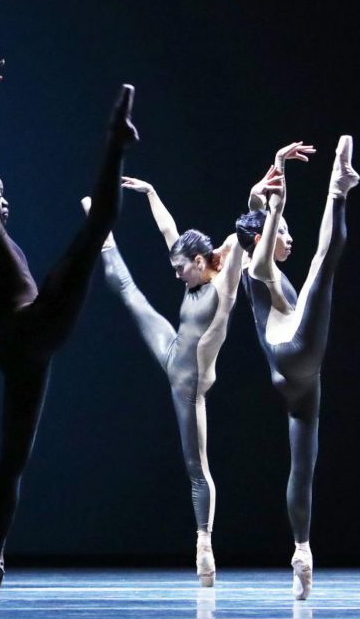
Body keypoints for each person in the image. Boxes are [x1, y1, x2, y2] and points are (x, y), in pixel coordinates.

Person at [0, 52, 138, 611]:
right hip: (34, 326)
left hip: (15, 349)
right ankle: (115, 140)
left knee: (12, 459)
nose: (2, 193)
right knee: (96, 228)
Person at [83, 175, 244, 587]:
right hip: (173, 354)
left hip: (189, 387)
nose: (176, 275)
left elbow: (237, 241)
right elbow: (168, 231)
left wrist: (264, 198)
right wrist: (153, 192)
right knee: (128, 291)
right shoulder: (190, 266)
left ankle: (203, 543)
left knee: (196, 466)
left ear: (199, 261)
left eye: (180, 269)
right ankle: (100, 229)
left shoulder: (223, 285)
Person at [235, 136, 358, 599]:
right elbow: (262, 242)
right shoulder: (258, 265)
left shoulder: (250, 262)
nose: (288, 236)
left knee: (302, 467)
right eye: (283, 230)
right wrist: (276, 202)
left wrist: (268, 179)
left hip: (289, 375)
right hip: (296, 351)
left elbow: (251, 220)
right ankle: (337, 188)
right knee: (324, 262)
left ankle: (302, 550)